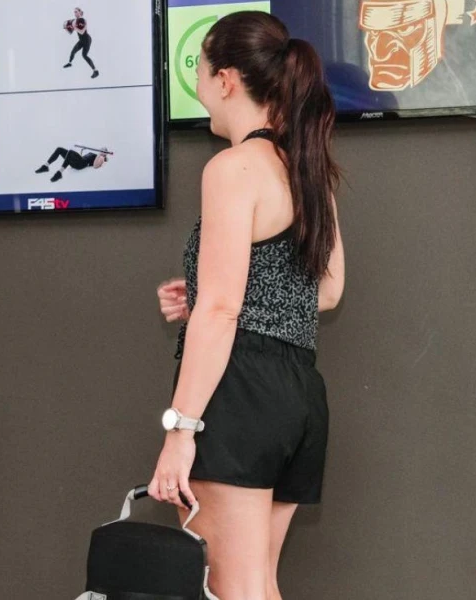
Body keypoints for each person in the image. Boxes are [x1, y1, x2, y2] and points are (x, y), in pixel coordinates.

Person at [147, 12, 345, 600]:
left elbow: (222, 312)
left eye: (200, 71)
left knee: (233, 590)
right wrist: (205, 292)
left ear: (227, 79)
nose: (199, 86)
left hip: (242, 393)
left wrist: (179, 431)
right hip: (298, 396)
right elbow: (326, 292)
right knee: (256, 588)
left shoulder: (232, 168)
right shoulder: (307, 170)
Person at [35, 145, 109, 182]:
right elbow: (82, 157)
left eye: (103, 150)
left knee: (70, 152)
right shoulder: (94, 154)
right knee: (59, 149)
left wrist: (100, 154)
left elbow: (95, 166)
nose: (101, 149)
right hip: (79, 161)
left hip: (81, 164)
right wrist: (82, 151)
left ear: (105, 153)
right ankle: (45, 166)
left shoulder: (101, 158)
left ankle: (59, 173)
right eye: (101, 149)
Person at [64, 7, 99, 79]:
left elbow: (82, 32)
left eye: (76, 12)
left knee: (84, 55)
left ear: (80, 12)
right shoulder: (74, 21)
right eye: (74, 12)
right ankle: (70, 63)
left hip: (87, 40)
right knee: (73, 51)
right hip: (81, 40)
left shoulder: (83, 20)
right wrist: (66, 27)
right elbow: (70, 32)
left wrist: (73, 27)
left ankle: (95, 71)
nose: (75, 13)